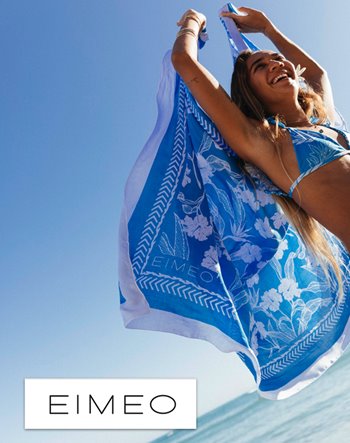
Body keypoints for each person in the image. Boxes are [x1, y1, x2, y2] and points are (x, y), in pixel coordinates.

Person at [172, 6, 350, 294]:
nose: (276, 64)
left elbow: (318, 73)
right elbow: (183, 61)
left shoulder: (327, 124)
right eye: (261, 66)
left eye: (278, 59)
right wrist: (192, 22)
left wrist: (268, 28)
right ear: (249, 91)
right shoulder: (264, 141)